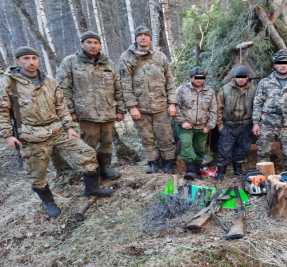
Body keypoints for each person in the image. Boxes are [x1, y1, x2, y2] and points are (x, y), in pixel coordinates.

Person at [0, 47, 112, 218]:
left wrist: (69, 128)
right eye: (26, 59)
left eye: (34, 58)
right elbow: (2, 110)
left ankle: (92, 188)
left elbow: (61, 107)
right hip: (31, 136)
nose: (31, 62)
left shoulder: (49, 82)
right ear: (18, 61)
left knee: (87, 154)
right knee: (37, 174)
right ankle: (48, 202)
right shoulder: (9, 83)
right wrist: (8, 135)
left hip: (57, 130)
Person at [56, 31, 125, 180]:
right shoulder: (70, 62)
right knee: (89, 145)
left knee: (107, 143)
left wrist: (120, 109)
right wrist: (70, 112)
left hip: (107, 111)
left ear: (100, 45)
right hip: (86, 113)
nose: (93, 46)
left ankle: (106, 167)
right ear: (82, 44)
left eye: (96, 42)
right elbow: (63, 89)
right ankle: (93, 173)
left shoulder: (108, 63)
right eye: (89, 42)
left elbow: (118, 87)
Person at [119, 25, 176, 174]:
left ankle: (168, 162)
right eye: (140, 35)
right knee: (146, 137)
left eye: (146, 35)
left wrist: (172, 103)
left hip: (161, 106)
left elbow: (170, 80)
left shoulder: (160, 56)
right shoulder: (127, 57)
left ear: (150, 38)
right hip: (140, 107)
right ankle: (153, 162)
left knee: (165, 136)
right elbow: (124, 84)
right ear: (136, 38)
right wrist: (132, 106)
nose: (143, 37)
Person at [215, 65, 256, 180]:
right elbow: (218, 108)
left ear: (248, 78)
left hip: (245, 124)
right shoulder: (225, 89)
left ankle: (237, 169)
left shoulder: (253, 89)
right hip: (229, 124)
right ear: (235, 77)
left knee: (242, 148)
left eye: (244, 77)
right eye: (239, 77)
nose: (241, 79)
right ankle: (221, 171)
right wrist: (220, 126)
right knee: (224, 148)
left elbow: (257, 106)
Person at [175, 67, 217, 179]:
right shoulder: (182, 89)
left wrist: (209, 125)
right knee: (186, 146)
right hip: (186, 125)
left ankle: (198, 170)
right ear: (191, 78)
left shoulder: (210, 91)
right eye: (196, 77)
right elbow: (175, 107)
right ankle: (191, 170)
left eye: (202, 78)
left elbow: (213, 109)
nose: (199, 80)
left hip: (203, 126)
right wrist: (182, 122)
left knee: (200, 148)